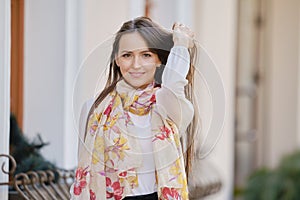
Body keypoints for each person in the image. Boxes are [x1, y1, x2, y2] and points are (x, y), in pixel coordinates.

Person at [71, 16, 197, 200]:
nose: (136, 65)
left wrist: (180, 44)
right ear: (117, 59)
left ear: (158, 60)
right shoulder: (94, 108)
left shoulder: (166, 105)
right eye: (127, 55)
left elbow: (173, 85)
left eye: (146, 55)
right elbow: (84, 171)